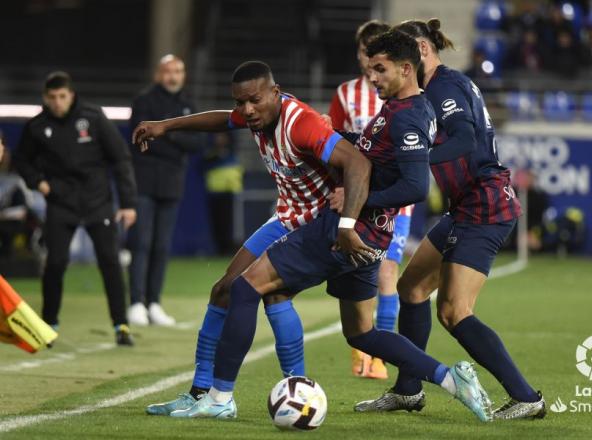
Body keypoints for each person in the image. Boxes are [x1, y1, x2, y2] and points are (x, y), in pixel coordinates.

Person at [164, 30, 493, 423]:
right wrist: (343, 136)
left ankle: (219, 397)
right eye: (370, 68)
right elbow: (373, 154)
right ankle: (451, 378)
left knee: (245, 287)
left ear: (407, 69)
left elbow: (407, 183)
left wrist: (350, 215)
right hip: (370, 236)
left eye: (379, 69)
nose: (371, 77)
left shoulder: (406, 115)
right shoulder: (399, 107)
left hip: (343, 231)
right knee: (361, 333)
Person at [134, 60, 362, 415]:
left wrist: (346, 207)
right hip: (287, 216)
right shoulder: (254, 112)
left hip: (317, 224)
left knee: (265, 292)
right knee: (224, 288)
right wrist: (166, 126)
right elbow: (220, 118)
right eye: (241, 102)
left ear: (275, 92)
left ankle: (269, 395)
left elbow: (357, 162)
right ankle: (202, 393)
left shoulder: (302, 124)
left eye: (253, 100)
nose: (246, 110)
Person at [353, 19, 545, 420]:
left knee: (453, 311)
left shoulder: (444, 86)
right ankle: (408, 391)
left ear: (421, 50)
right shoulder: (428, 91)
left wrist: (417, 158)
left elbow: (464, 137)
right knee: (411, 289)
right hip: (465, 205)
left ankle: (527, 396)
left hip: (484, 203)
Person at [13, 72, 137, 346]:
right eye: (52, 97)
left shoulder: (93, 117)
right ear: (45, 98)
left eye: (62, 96)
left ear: (71, 95)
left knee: (110, 263)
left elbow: (120, 158)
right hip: (61, 204)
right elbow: (22, 160)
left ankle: (121, 325)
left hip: (97, 202)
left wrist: (128, 203)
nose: (57, 102)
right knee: (55, 263)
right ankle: (48, 325)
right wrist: (39, 183)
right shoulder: (37, 126)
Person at [329, 19, 413, 380]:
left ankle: (378, 357)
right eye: (365, 53)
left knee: (387, 271)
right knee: (356, 273)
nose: (369, 62)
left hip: (395, 202)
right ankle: (360, 350)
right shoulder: (346, 93)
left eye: (376, 55)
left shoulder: (402, 92)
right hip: (355, 200)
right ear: (359, 53)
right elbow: (332, 143)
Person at [127, 55, 205, 327]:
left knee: (161, 246)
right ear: (158, 74)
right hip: (145, 180)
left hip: (172, 182)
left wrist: (165, 132)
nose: (173, 76)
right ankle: (136, 302)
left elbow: (198, 143)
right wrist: (175, 139)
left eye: (178, 71)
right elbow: (138, 138)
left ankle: (154, 303)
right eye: (168, 71)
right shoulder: (144, 100)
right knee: (141, 243)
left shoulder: (188, 104)